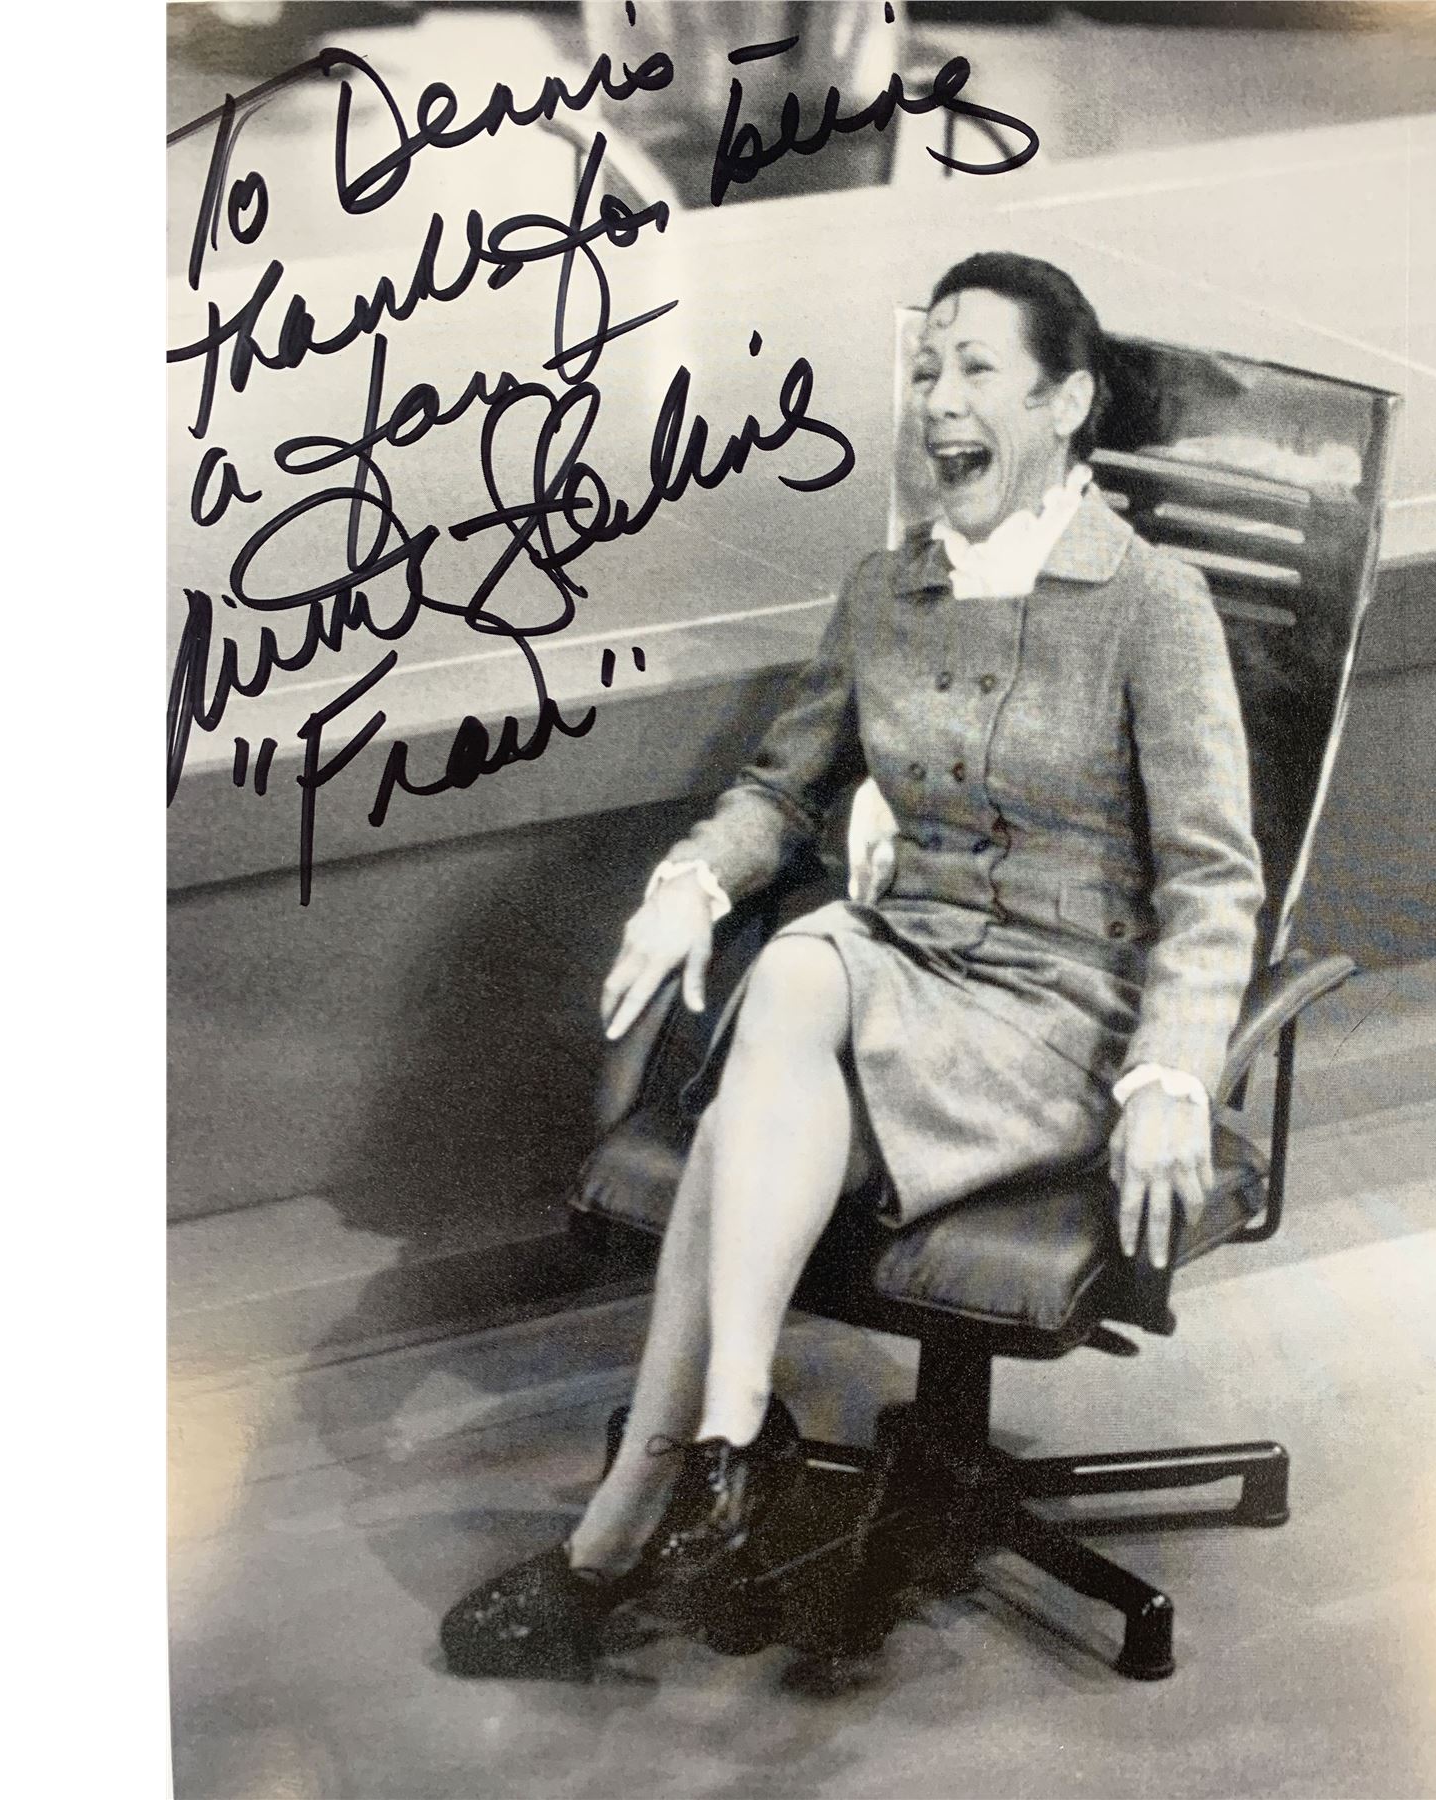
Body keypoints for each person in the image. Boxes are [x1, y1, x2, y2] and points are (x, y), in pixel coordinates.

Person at [442, 251, 1265, 1678]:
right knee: (793, 971)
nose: (938, 399)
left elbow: (1212, 878)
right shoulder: (888, 589)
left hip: (1057, 1016)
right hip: (903, 961)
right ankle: (726, 1436)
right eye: (927, 369)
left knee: (753, 1085)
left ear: (1067, 404)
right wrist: (693, 885)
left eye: (979, 370)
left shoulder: (1153, 603)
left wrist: (1177, 1074)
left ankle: (632, 1522)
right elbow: (782, 788)